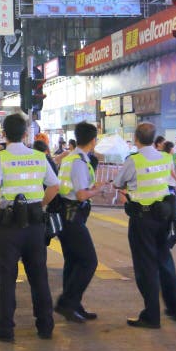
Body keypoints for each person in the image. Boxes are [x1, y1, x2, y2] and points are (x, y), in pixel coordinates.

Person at [0, 113, 59, 342]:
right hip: (35, 225)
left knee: (7, 278)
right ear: (26, 134)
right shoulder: (38, 156)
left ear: (4, 134)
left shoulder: (0, 158)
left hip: (10, 226)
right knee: (39, 277)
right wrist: (40, 205)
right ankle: (45, 326)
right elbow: (54, 186)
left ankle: (5, 328)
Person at [114, 122, 176, 328]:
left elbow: (118, 183)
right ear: (154, 139)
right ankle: (175, 308)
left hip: (142, 220)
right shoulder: (166, 158)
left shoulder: (133, 161)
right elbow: (169, 186)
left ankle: (151, 315)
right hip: (163, 217)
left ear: (136, 139)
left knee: (146, 268)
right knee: (165, 261)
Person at [55, 121, 106, 323]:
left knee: (74, 262)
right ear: (93, 141)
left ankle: (73, 305)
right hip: (72, 217)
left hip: (69, 216)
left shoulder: (72, 158)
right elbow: (81, 194)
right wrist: (98, 190)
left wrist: (92, 187)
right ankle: (66, 303)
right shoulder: (78, 161)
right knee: (89, 261)